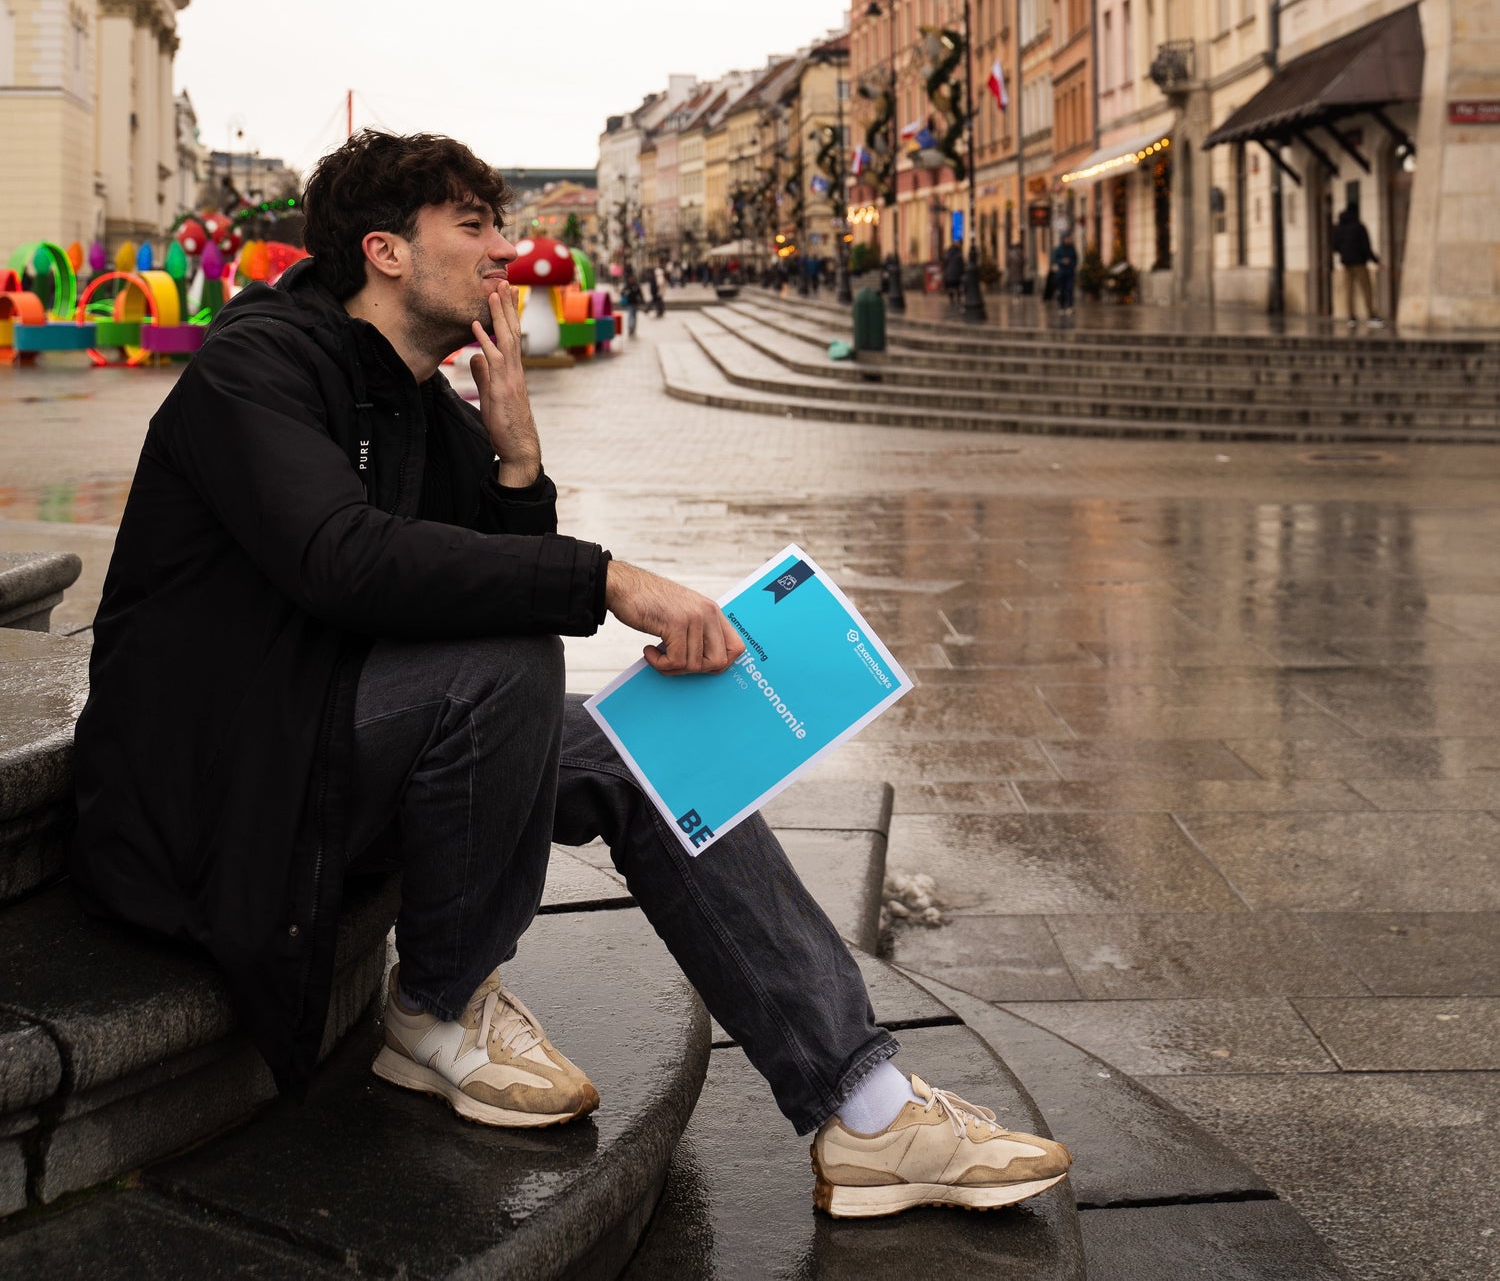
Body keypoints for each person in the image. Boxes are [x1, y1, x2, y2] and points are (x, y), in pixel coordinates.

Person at [70, 134, 1069, 1219]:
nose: (507, 249)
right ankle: (437, 1006)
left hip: (335, 728)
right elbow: (341, 560)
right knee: (507, 664)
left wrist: (515, 462)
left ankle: (866, 1106)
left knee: (650, 748)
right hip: (218, 776)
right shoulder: (255, 368)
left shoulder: (418, 401)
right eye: (475, 226)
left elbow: (478, 577)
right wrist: (609, 580)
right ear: (387, 252)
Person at [1330, 201, 1384, 328]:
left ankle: (1351, 317)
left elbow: (1334, 246)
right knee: (1366, 288)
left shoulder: (1339, 228)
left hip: (1346, 263)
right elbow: (1366, 246)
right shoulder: (1359, 227)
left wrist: (1344, 251)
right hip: (1359, 262)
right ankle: (1371, 315)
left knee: (1349, 290)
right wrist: (1376, 261)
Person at [1049, 230, 1078, 318]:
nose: (1068, 240)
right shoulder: (1058, 249)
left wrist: (1071, 264)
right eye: (1066, 238)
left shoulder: (1072, 248)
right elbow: (1055, 260)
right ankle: (1061, 306)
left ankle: (1069, 306)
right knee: (1061, 290)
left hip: (1070, 272)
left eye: (1069, 238)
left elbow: (1075, 259)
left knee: (1070, 290)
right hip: (1061, 273)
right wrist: (1062, 261)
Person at [621, 261, 642, 338]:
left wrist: (642, 300)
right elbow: (622, 292)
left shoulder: (636, 285)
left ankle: (633, 328)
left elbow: (640, 293)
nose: (631, 280)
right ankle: (630, 327)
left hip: (635, 303)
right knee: (631, 316)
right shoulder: (628, 286)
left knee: (634, 316)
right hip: (630, 303)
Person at [941, 239, 964, 304]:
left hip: (949, 274)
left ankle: (951, 299)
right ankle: (958, 299)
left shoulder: (947, 254)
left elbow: (944, 262)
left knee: (950, 287)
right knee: (957, 287)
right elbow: (962, 264)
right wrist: (962, 272)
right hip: (957, 274)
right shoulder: (959, 254)